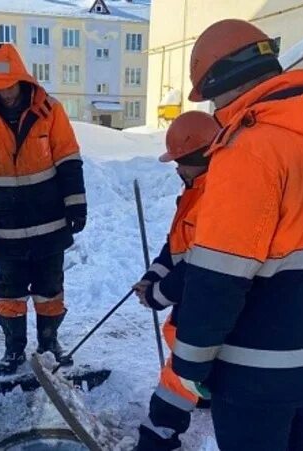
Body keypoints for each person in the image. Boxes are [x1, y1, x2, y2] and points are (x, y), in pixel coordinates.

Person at [171, 19, 303, 450]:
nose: (213, 109)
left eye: (210, 96)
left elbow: (220, 276)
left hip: (257, 369)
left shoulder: (249, 149)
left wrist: (191, 360)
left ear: (223, 80)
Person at [0, 43, 86, 375]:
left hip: (50, 220)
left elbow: (68, 158)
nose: (4, 94)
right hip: (6, 224)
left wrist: (76, 203)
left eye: (8, 85)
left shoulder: (50, 110)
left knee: (50, 288)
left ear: (22, 79)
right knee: (9, 291)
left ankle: (48, 344)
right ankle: (14, 349)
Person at [132, 111, 220, 450]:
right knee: (190, 352)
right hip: (195, 295)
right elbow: (177, 247)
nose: (177, 169)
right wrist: (153, 276)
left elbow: (205, 263)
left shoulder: (218, 196)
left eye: (181, 162)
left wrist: (159, 294)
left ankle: (158, 435)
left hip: (209, 299)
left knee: (181, 368)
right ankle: (207, 388)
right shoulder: (195, 189)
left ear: (199, 157)